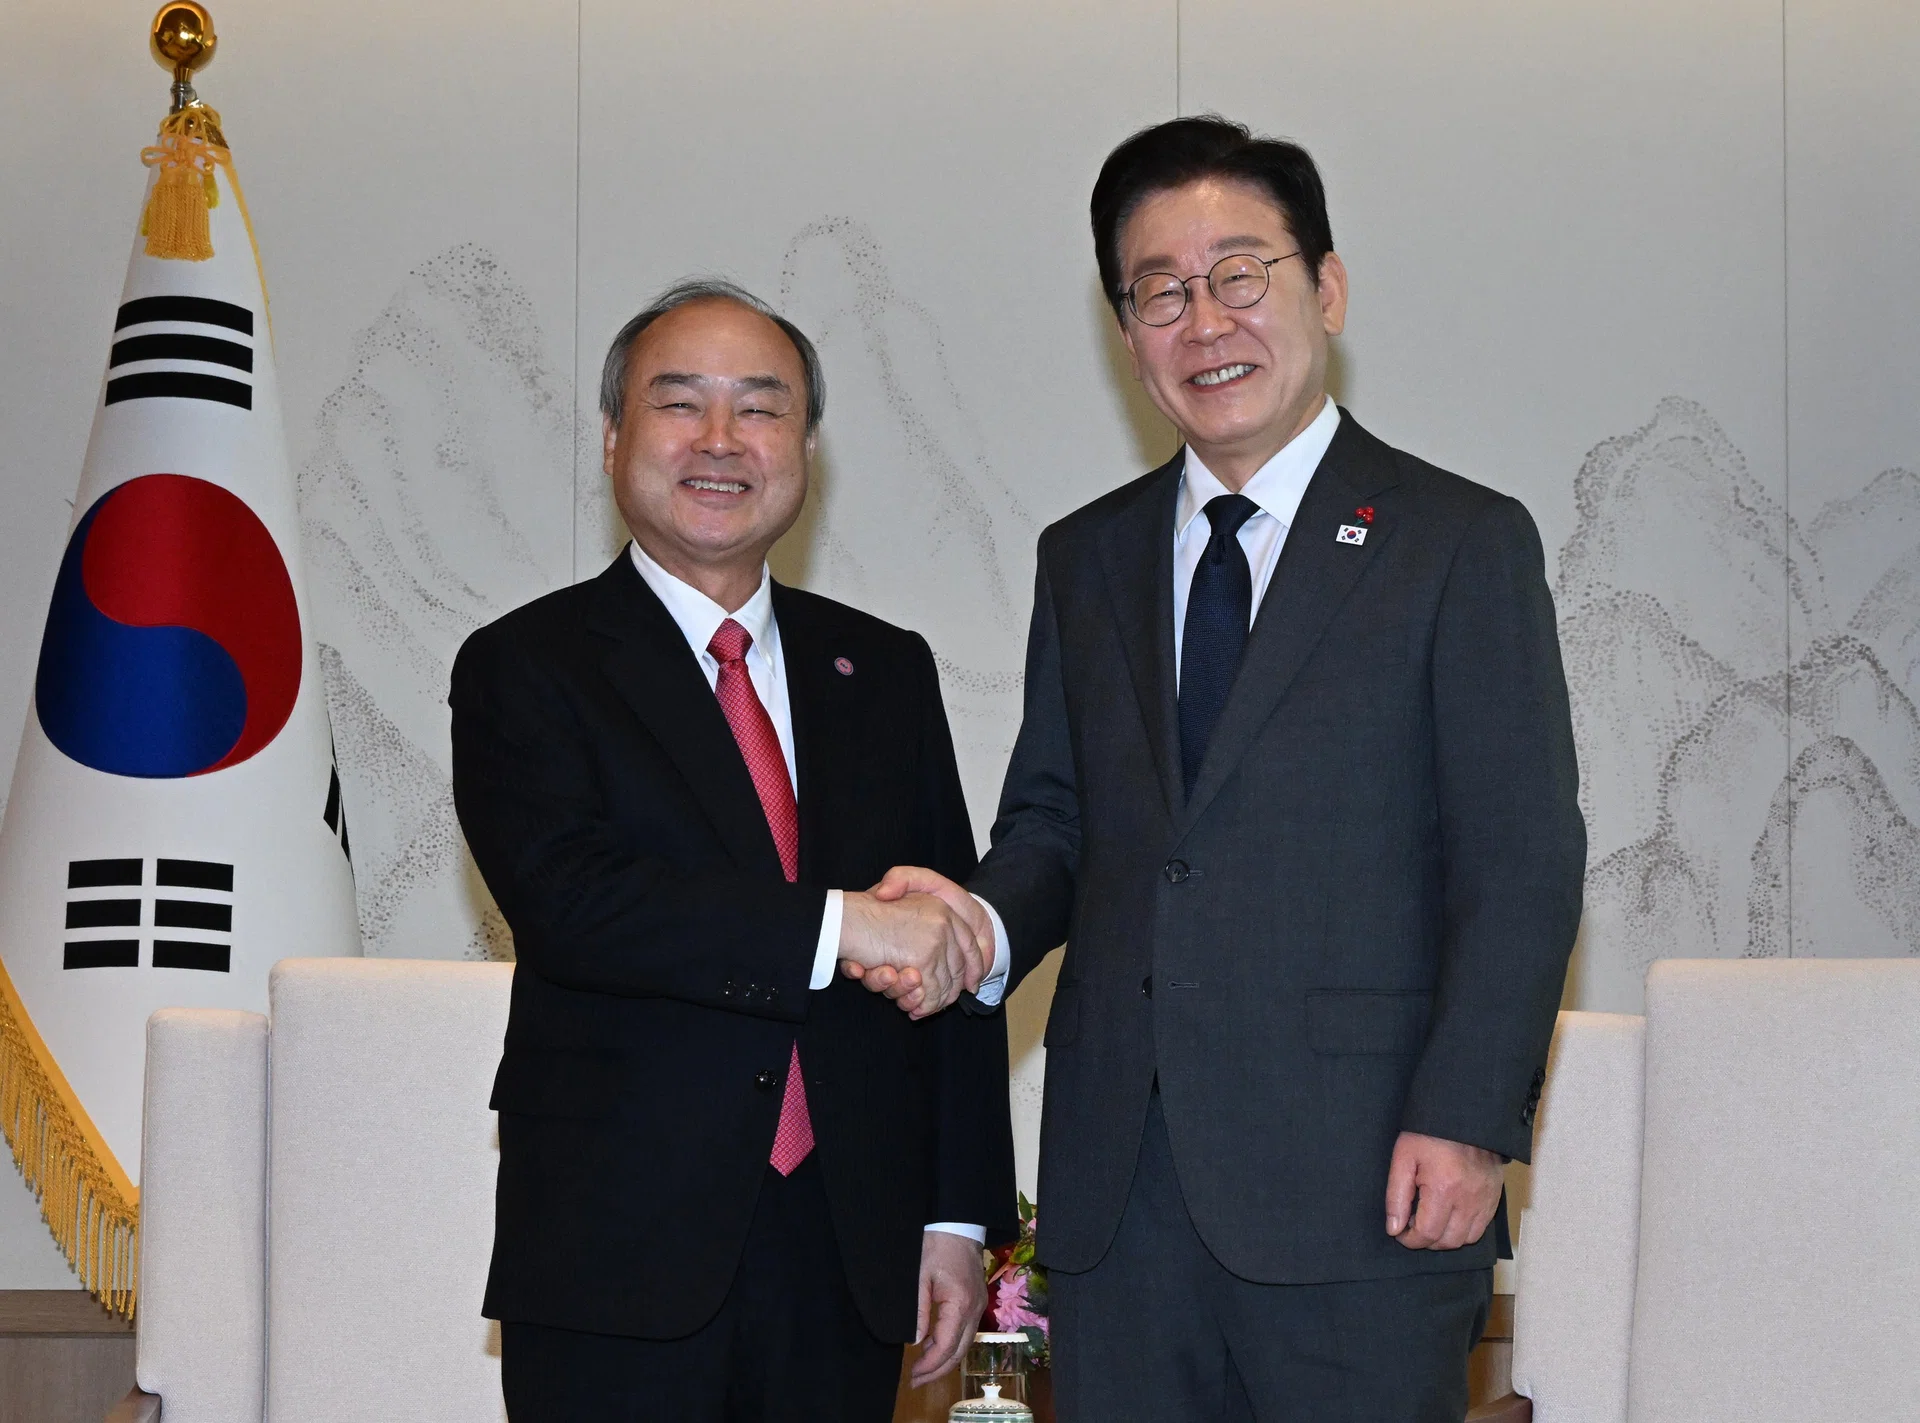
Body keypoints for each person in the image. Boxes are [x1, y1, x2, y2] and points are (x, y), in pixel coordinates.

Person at [864, 117, 1586, 1420]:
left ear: (1328, 288)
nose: (1206, 321)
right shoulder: (1086, 556)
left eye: (1241, 274)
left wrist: (1471, 1116)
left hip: (1370, 1184)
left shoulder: (1456, 541)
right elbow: (1058, 822)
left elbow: (1521, 857)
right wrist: (973, 924)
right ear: (1126, 331)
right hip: (1121, 1197)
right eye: (1161, 291)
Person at [451, 279, 1015, 1423]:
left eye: (761, 407)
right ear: (613, 438)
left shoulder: (884, 669)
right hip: (620, 1249)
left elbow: (947, 941)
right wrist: (845, 922)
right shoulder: (528, 662)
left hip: (847, 1247)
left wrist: (957, 1218)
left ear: (806, 449)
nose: (721, 439)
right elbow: (575, 903)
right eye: (680, 403)